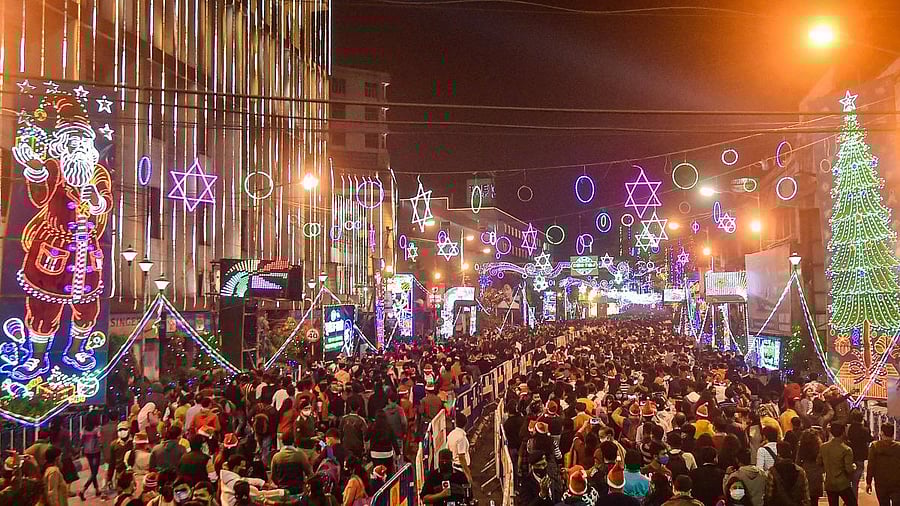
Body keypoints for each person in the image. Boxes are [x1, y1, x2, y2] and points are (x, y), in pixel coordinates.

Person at [819, 422, 857, 506]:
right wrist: (854, 467)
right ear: (843, 432)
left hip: (829, 483)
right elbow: (849, 469)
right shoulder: (846, 449)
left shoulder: (823, 447)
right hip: (843, 483)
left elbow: (819, 462)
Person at [766, 441, 810, 506]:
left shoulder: (773, 471)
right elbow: (806, 495)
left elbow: (769, 495)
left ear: (778, 454)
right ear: (790, 453)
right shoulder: (800, 471)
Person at [866, 422, 900, 506]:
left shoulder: (875, 446)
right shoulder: (898, 447)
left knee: (883, 504)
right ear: (893, 434)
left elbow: (871, 465)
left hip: (881, 483)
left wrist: (868, 482)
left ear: (882, 433)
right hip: (897, 482)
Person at [846, 410, 871, 498]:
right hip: (860, 457)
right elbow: (870, 439)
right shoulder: (865, 430)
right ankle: (853, 500)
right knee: (855, 482)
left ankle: (849, 500)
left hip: (850, 456)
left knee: (849, 480)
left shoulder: (849, 429)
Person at [796, 429, 824, 505]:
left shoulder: (801, 446)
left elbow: (797, 461)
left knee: (806, 499)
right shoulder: (820, 448)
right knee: (815, 500)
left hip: (805, 471)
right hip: (817, 471)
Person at [79, 412, 103, 501]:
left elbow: (81, 441)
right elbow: (100, 440)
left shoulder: (83, 429)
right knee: (94, 473)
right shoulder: (97, 429)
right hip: (96, 451)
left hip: (87, 452)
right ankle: (83, 490)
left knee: (93, 472)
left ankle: (97, 490)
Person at [447, 412, 473, 484]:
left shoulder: (451, 434)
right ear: (465, 423)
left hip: (454, 468)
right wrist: (467, 473)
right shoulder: (461, 438)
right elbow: (461, 457)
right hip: (461, 470)